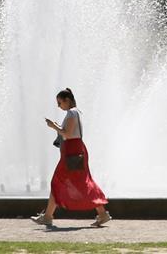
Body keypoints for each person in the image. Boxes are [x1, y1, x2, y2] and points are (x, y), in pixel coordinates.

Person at [31, 88, 111, 228]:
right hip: (74, 150)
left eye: (60, 102)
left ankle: (48, 217)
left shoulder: (72, 113)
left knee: (64, 181)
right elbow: (69, 133)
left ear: (67, 100)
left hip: (73, 151)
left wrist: (53, 126)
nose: (58, 105)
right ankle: (102, 214)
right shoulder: (75, 112)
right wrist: (56, 126)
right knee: (78, 182)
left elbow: (67, 134)